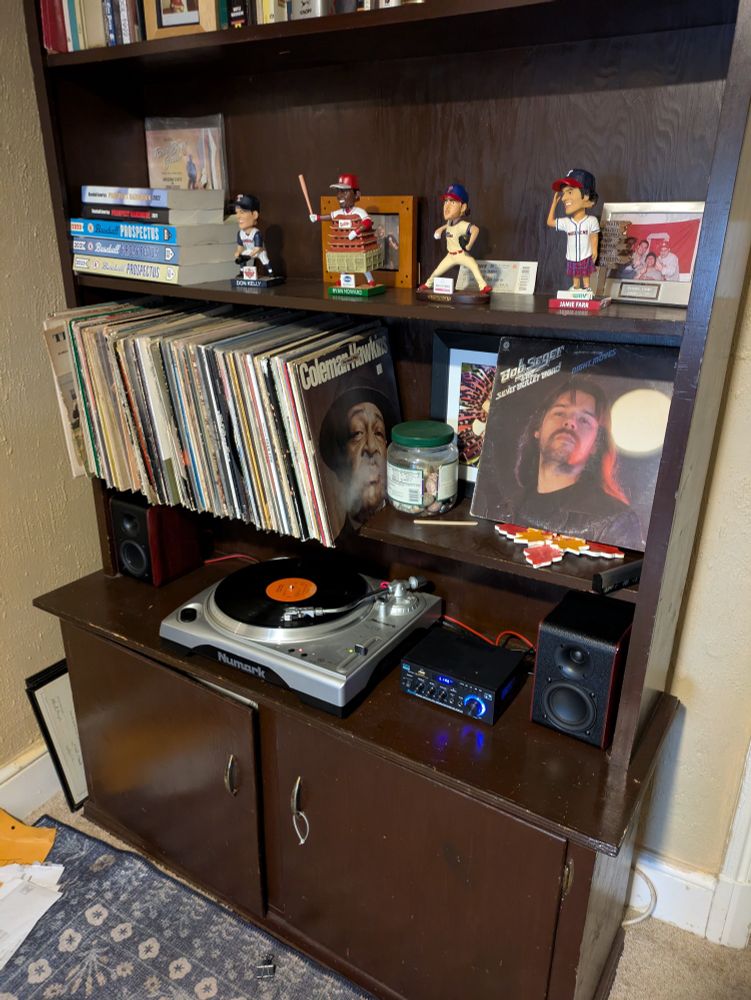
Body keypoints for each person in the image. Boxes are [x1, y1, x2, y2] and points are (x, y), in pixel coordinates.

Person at [508, 375, 644, 549]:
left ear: (595, 444)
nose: (570, 422)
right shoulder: (509, 506)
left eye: (584, 420)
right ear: (537, 429)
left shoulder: (615, 520)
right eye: (559, 412)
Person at [319, 385, 397, 542]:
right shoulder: (337, 546)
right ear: (340, 457)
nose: (371, 446)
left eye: (379, 433)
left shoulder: (404, 531)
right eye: (357, 433)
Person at [418, 184, 491, 293]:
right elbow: (448, 226)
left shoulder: (462, 225)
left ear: (463, 207)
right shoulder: (450, 222)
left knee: (473, 265)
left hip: (461, 254)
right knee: (437, 271)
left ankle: (483, 286)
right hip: (450, 256)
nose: (446, 206)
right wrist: (440, 229)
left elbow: (475, 230)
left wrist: (469, 245)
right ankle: (427, 285)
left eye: (452, 202)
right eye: (445, 202)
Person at [310, 173, 379, 286]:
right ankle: (343, 280)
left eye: (344, 192)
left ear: (356, 195)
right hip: (343, 245)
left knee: (361, 263)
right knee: (343, 263)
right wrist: (316, 217)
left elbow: (367, 222)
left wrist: (355, 232)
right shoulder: (339, 213)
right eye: (338, 192)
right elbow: (330, 216)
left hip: (357, 245)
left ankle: (370, 280)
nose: (339, 196)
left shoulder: (359, 212)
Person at [547, 168, 600, 293]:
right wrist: (553, 205)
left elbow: (593, 236)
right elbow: (549, 222)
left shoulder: (591, 220)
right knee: (575, 274)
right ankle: (576, 288)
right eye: (563, 193)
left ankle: (586, 288)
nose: (564, 198)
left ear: (586, 196)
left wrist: (594, 250)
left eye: (569, 192)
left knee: (585, 273)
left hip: (585, 254)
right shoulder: (566, 222)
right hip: (572, 256)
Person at [233, 193, 273, 275]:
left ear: (254, 215)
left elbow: (257, 248)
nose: (238, 216)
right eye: (237, 213)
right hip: (250, 251)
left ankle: (271, 272)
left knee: (265, 260)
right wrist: (238, 252)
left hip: (259, 251)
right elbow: (240, 247)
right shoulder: (240, 233)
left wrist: (250, 255)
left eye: (242, 212)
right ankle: (242, 272)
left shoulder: (256, 233)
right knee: (242, 256)